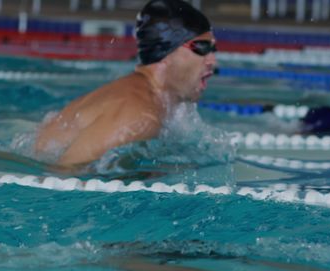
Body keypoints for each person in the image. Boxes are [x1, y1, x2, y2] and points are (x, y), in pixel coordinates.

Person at [35, 0, 217, 167]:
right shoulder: (140, 118)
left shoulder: (154, 105)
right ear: (166, 51)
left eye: (213, 49)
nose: (212, 61)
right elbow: (64, 174)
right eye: (202, 47)